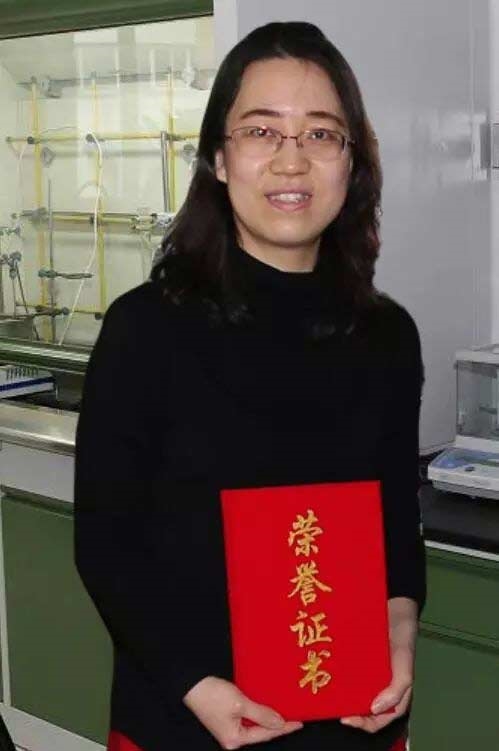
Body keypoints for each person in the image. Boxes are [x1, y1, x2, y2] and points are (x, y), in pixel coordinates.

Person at [74, 21, 425, 751]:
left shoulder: (387, 336)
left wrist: (400, 639)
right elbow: (106, 544)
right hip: (185, 720)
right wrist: (195, 686)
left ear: (352, 161)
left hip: (351, 719)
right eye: (261, 131)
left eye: (321, 134)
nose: (291, 160)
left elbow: (394, 523)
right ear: (219, 157)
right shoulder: (146, 330)